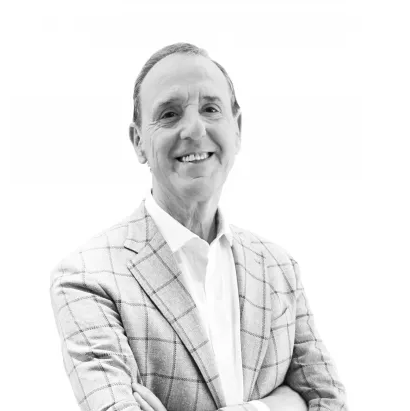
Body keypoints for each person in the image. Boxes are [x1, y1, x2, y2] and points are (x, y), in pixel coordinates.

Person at [49, 43, 348, 411]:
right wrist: (281, 405)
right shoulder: (86, 278)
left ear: (237, 129)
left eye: (210, 109)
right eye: (170, 114)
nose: (194, 128)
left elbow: (330, 401)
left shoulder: (278, 267)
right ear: (138, 142)